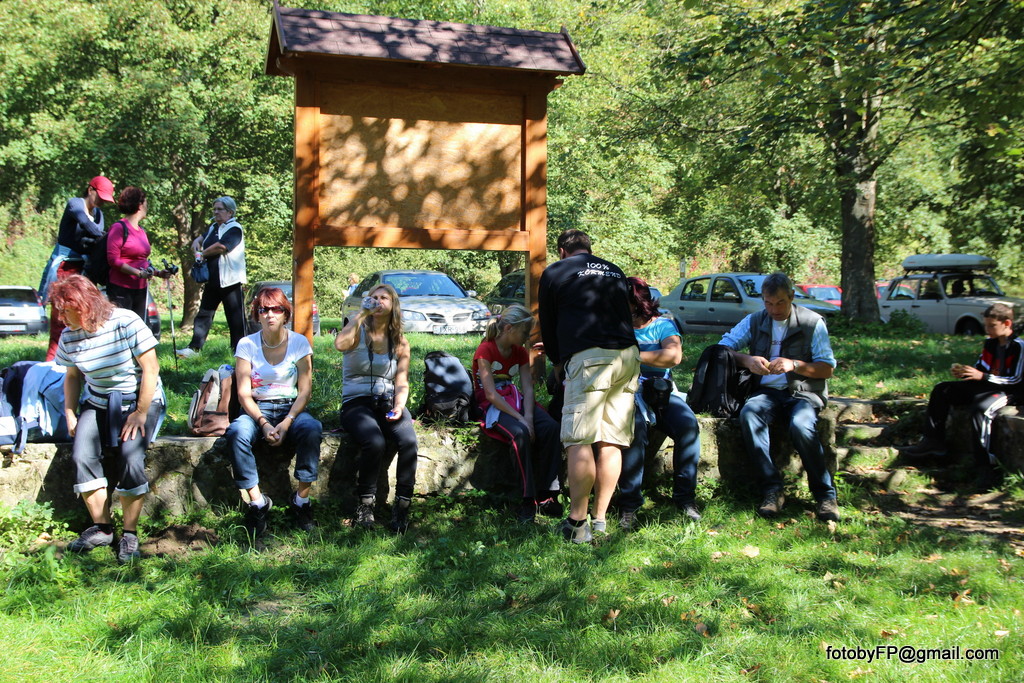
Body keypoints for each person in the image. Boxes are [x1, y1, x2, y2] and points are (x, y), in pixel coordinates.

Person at [51, 275, 165, 564]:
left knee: (130, 456)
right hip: (98, 401)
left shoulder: (125, 322)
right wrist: (70, 412)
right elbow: (73, 376)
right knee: (82, 455)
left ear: (85, 306)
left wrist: (140, 413)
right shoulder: (69, 336)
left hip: (140, 398)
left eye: (67, 311)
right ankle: (102, 528)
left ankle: (130, 533)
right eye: (60, 311)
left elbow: (151, 369)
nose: (62, 318)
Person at [538, 229, 640, 543]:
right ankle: (600, 520)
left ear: (561, 251)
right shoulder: (614, 270)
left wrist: (557, 363)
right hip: (628, 356)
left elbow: (548, 323)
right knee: (611, 441)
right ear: (589, 249)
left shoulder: (555, 271)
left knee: (579, 440)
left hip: (589, 359)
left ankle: (576, 524)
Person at [719, 271, 840, 523]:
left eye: (780, 302)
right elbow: (722, 349)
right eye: (768, 303)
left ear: (792, 297)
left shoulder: (812, 322)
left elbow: (826, 369)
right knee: (750, 414)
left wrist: (794, 365)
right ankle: (772, 490)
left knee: (801, 425)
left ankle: (825, 495)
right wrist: (747, 360)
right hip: (766, 392)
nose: (774, 309)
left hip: (804, 392)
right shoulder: (755, 320)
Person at [225, 287, 323, 538]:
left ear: (285, 314)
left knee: (312, 428)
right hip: (257, 408)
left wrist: (288, 421)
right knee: (236, 432)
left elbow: (305, 391)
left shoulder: (299, 343)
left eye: (276, 309)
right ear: (257, 315)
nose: (270, 314)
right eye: (263, 310)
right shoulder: (247, 344)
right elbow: (243, 393)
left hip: (291, 408)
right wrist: (263, 423)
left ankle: (301, 500)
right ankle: (257, 503)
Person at [901, 303, 1023, 487]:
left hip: (1010, 391)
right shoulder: (990, 343)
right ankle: (933, 441)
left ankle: (985, 466)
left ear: (1007, 323)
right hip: (987, 385)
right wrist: (966, 373)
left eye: (992, 326)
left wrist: (982, 376)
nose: (987, 330)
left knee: (981, 409)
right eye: (986, 325)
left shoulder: (1019, 346)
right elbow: (981, 368)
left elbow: (1015, 379)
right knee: (943, 389)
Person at [618, 277, 703, 529]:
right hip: (626, 391)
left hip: (661, 392)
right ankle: (629, 505)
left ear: (638, 304)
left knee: (688, 426)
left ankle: (685, 498)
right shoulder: (617, 325)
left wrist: (634, 355)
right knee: (635, 429)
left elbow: (673, 356)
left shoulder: (663, 325)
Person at [335, 283, 418, 533]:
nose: (378, 301)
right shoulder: (357, 328)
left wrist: (399, 406)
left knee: (408, 441)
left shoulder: (400, 341)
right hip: (356, 402)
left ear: (393, 305)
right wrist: (361, 313)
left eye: (384, 298)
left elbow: (401, 381)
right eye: (374, 297)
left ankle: (402, 505)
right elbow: (340, 344)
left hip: (387, 400)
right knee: (375, 442)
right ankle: (365, 505)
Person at [472, 304, 563, 523]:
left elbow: (528, 388)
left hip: (514, 399)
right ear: (509, 329)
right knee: (520, 433)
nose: (527, 338)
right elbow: (490, 394)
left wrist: (529, 417)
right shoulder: (485, 350)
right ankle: (527, 498)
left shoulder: (520, 352)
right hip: (493, 405)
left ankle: (547, 493)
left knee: (551, 428)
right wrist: (521, 419)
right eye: (525, 332)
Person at [39, 176, 115, 361]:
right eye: (100, 197)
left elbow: (95, 242)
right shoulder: (75, 204)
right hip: (65, 269)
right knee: (61, 319)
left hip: (84, 271)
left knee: (83, 318)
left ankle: (78, 364)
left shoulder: (99, 214)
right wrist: (110, 236)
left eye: (105, 200)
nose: (102, 202)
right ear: (90, 190)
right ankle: (52, 364)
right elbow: (89, 227)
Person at [177, 196, 247, 357]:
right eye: (214, 209)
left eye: (219, 209)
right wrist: (197, 240)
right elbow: (203, 237)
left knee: (235, 318)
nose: (215, 212)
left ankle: (240, 351)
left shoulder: (235, 228)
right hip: (213, 280)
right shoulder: (214, 227)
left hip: (230, 280)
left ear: (230, 212)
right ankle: (194, 348)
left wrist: (201, 253)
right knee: (204, 314)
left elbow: (222, 246)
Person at [105, 186, 172, 320]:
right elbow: (113, 260)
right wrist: (138, 273)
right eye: (146, 202)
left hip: (140, 289)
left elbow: (142, 261)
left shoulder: (141, 231)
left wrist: (158, 273)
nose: (147, 206)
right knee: (123, 325)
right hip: (121, 288)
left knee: (138, 326)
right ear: (140, 205)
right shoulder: (118, 228)